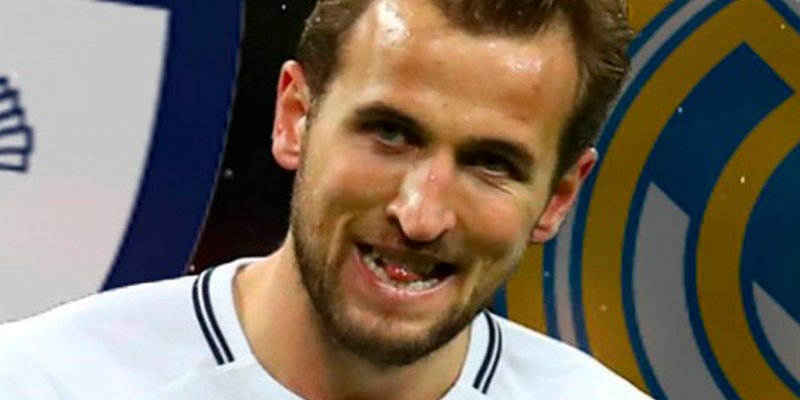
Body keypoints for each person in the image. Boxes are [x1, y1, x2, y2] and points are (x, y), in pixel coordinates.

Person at [0, 0, 651, 398]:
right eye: (390, 133)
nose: (420, 215)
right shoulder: (41, 382)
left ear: (558, 197)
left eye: (491, 164)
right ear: (295, 118)